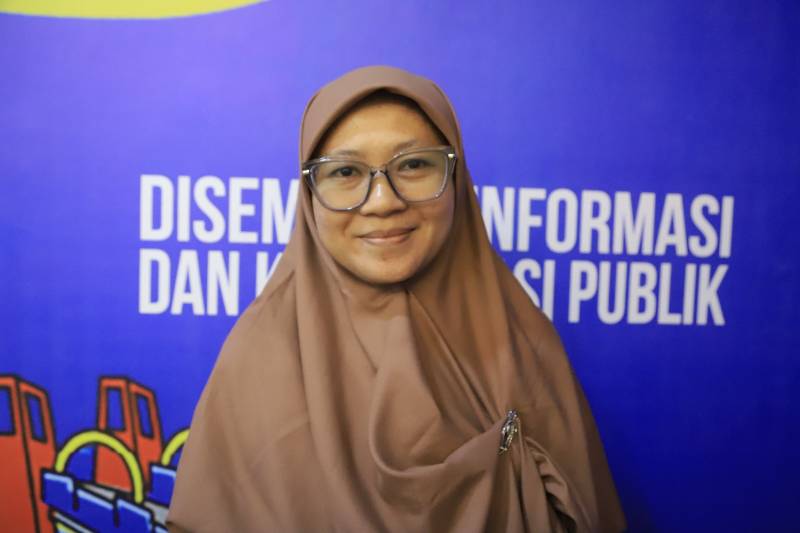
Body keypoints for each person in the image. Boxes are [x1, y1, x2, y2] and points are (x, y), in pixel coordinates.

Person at [167, 65, 626, 532]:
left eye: (413, 165)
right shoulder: (260, 359)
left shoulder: (524, 342)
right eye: (345, 171)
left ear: (455, 176)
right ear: (308, 194)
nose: (383, 201)